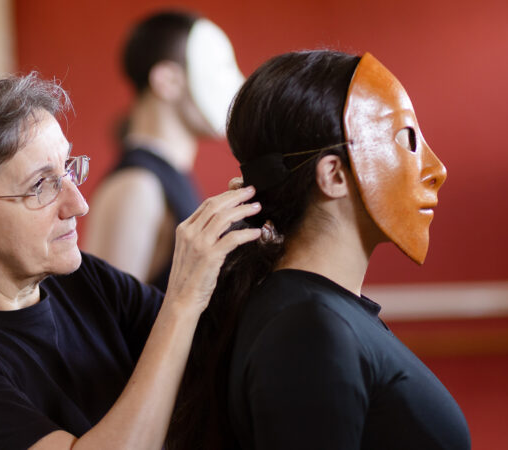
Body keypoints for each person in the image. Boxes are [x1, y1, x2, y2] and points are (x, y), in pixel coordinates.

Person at [0, 73, 262, 449]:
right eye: (40, 186)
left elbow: (215, 348)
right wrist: (182, 300)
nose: (78, 204)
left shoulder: (81, 279)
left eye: (67, 169)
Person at [167, 50, 471, 449]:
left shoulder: (315, 314)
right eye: (407, 141)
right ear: (334, 175)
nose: (436, 170)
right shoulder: (309, 329)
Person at [84, 11, 244, 290]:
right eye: (220, 68)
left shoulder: (165, 177)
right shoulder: (137, 185)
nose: (238, 82)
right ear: (167, 80)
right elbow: (105, 312)